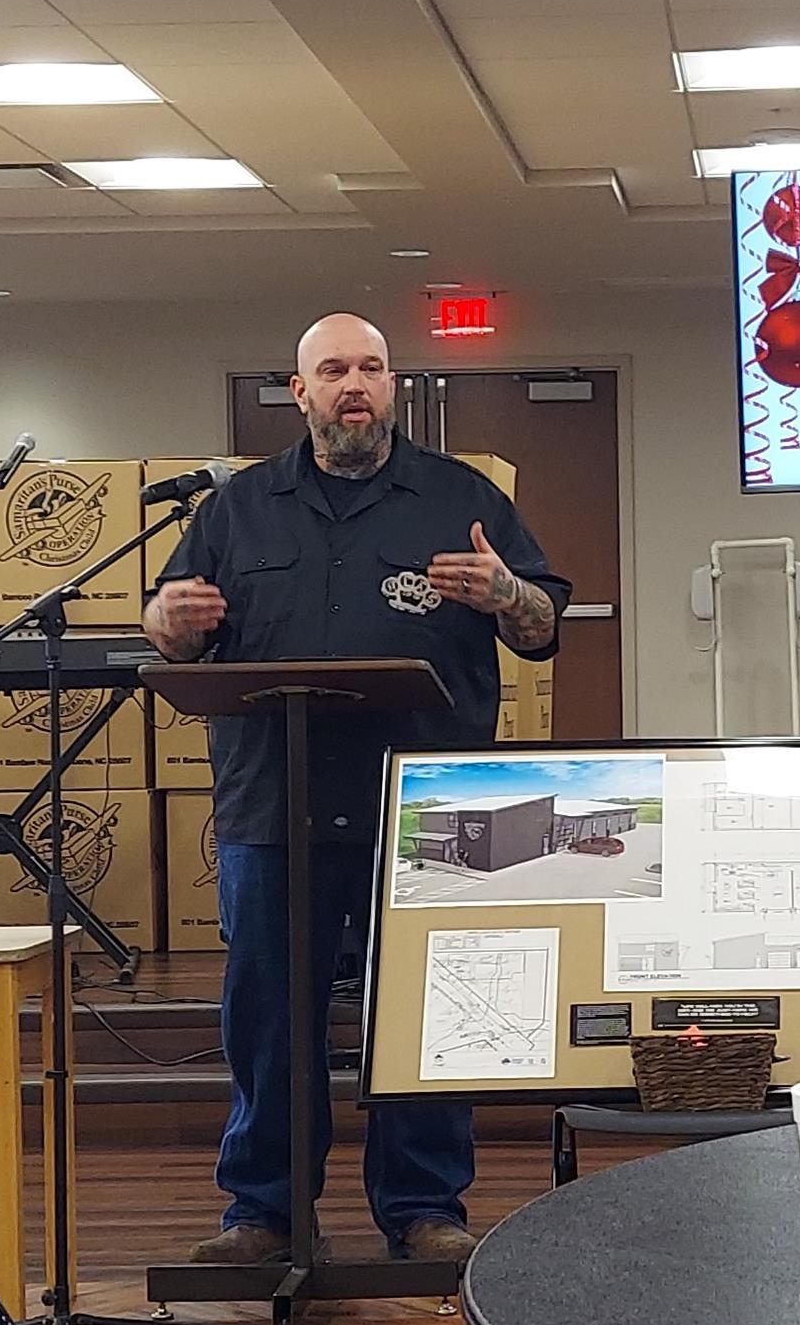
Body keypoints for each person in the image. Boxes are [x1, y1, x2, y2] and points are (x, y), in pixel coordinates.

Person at [145, 311, 571, 1265]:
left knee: (428, 1007)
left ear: (393, 386)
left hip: (431, 808)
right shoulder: (237, 509)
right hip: (274, 801)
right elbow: (172, 634)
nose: (355, 384)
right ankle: (265, 1212)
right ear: (299, 391)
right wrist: (166, 618)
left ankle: (423, 1208)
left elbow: (542, 625)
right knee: (269, 1017)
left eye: (371, 368)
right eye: (333, 369)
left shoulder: (461, 498)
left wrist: (507, 593)